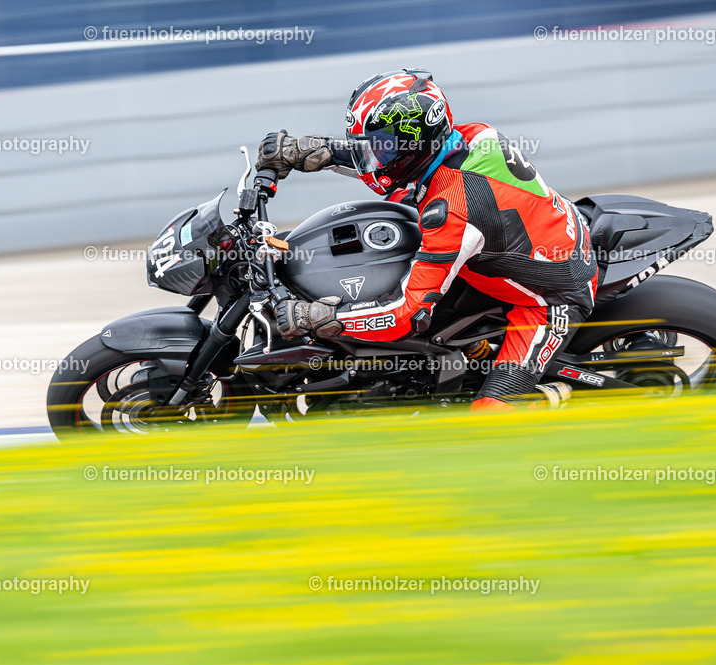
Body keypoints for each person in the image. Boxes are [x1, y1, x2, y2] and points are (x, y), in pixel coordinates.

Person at [256, 68, 598, 411]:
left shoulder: (451, 211)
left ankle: (546, 400)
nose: (374, 157)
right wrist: (313, 151)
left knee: (490, 418)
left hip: (552, 297)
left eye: (383, 147)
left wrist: (322, 318)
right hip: (522, 237)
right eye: (372, 145)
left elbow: (406, 313)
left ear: (414, 143)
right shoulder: (469, 137)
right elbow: (391, 167)